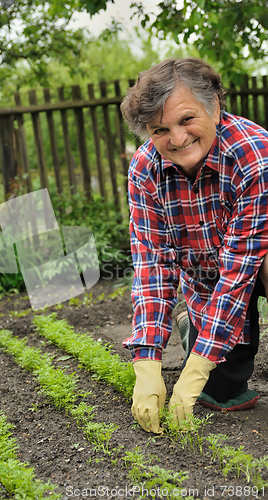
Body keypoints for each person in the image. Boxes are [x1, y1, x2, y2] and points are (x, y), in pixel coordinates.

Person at [120, 57, 268, 434]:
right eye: (160, 130)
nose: (177, 138)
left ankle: (204, 342)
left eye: (187, 120)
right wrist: (147, 360)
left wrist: (199, 363)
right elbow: (152, 265)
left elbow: (240, 269)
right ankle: (194, 324)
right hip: (206, 277)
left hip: (256, 262)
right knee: (218, 391)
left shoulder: (253, 155)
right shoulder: (144, 169)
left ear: (215, 107)